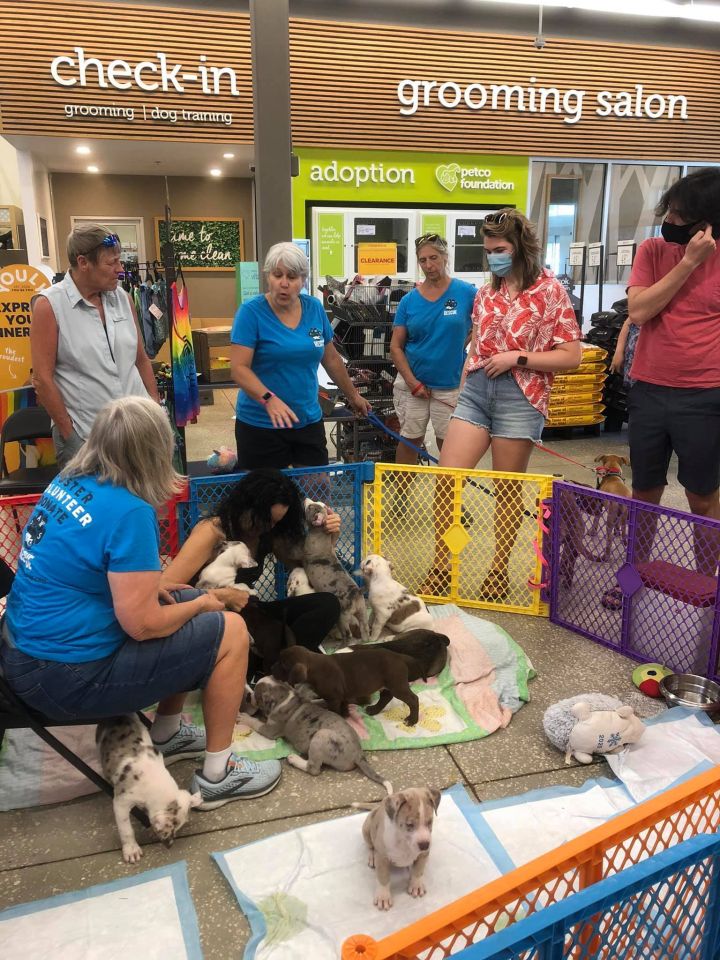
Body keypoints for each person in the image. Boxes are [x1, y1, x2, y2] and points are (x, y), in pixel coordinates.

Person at [0, 397, 281, 809]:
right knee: (230, 630)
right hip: (63, 677)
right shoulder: (130, 511)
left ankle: (167, 731)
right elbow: (143, 625)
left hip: (23, 654)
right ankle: (219, 775)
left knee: (180, 598)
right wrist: (205, 604)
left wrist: (185, 600)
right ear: (153, 452)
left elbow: (119, 592)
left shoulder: (67, 482)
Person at [421, 209, 581, 600]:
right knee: (448, 477)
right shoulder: (486, 293)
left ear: (521, 248)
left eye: (499, 248)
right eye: (488, 249)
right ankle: (443, 564)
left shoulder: (550, 291)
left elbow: (571, 356)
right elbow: (475, 345)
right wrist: (462, 389)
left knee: (507, 490)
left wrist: (517, 357)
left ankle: (498, 571)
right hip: (476, 390)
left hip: (520, 395)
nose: (492, 255)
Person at [625, 167, 720, 577]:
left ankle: (707, 585)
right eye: (670, 212)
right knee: (644, 491)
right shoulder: (652, 251)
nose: (671, 222)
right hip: (648, 389)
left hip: (704, 395)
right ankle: (635, 574)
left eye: (681, 216)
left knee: (702, 497)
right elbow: (640, 311)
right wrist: (687, 263)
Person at [160, 467, 342, 675]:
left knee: (326, 604)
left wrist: (328, 535)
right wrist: (221, 595)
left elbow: (309, 568)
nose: (268, 527)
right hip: (212, 618)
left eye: (276, 522)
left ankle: (277, 667)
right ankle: (267, 667)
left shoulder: (267, 535)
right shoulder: (211, 532)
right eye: (265, 519)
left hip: (251, 613)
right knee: (241, 628)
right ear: (247, 505)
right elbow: (165, 591)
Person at [231, 242, 372, 469]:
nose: (284, 283)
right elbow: (239, 368)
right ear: (268, 277)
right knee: (272, 502)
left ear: (303, 280)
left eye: (292, 277)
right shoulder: (251, 312)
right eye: (278, 275)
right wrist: (269, 399)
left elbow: (331, 359)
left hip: (307, 419)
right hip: (261, 423)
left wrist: (353, 396)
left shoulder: (314, 308)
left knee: (317, 493)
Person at [30, 223, 160, 469]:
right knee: (97, 506)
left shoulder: (122, 298)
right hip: (87, 435)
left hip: (136, 430)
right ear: (83, 262)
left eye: (119, 261)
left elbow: (140, 358)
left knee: (141, 503)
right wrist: (70, 436)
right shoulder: (50, 306)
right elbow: (42, 380)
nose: (120, 270)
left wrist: (155, 408)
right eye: (112, 263)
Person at [389, 233, 475, 464]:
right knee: (409, 440)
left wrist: (464, 343)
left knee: (449, 443)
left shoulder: (467, 293)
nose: (429, 265)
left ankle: (447, 500)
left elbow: (483, 326)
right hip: (413, 385)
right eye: (423, 260)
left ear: (446, 257)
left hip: (450, 385)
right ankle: (401, 498)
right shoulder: (409, 301)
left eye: (434, 258)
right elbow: (396, 347)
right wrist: (412, 382)